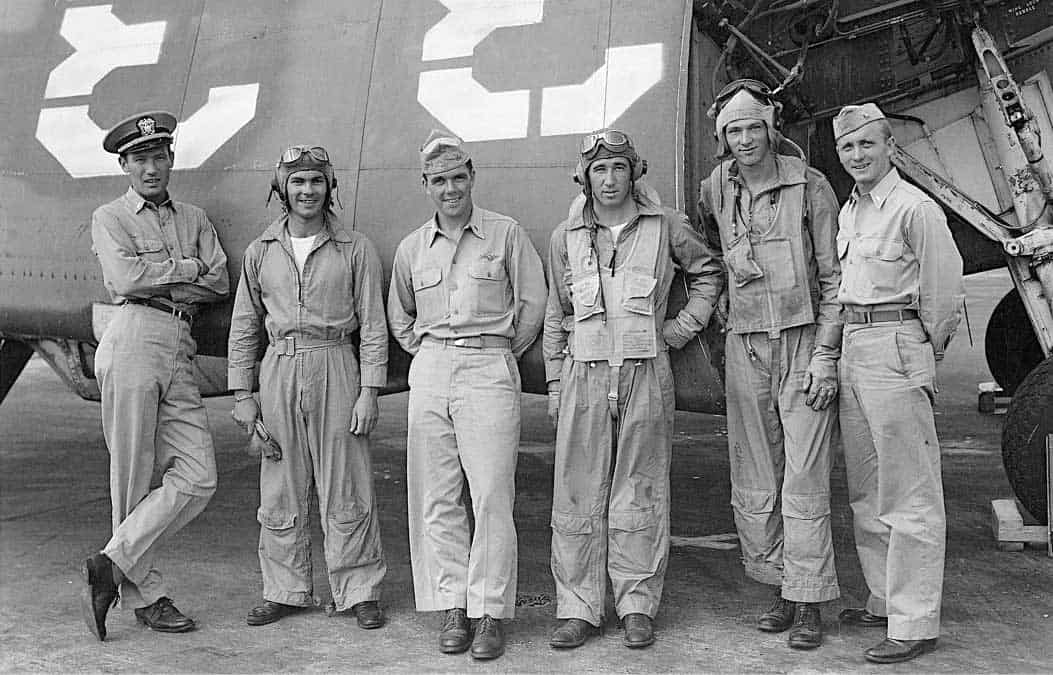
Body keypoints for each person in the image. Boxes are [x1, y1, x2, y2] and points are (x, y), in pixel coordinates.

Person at [543, 129, 722, 650]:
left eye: (619, 167)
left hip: (647, 371)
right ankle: (578, 606)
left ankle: (636, 603)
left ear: (634, 172)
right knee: (577, 490)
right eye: (599, 169)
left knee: (640, 489)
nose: (609, 179)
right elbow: (559, 311)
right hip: (585, 372)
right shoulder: (566, 237)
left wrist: (681, 329)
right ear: (585, 177)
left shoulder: (666, 227)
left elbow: (708, 272)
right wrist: (556, 381)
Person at [387, 130, 546, 660]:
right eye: (439, 180)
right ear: (425, 186)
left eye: (458, 177)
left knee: (492, 494)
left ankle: (489, 612)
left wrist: (493, 349)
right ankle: (452, 605)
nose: (450, 188)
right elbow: (401, 317)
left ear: (472, 177)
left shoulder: (505, 234)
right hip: (431, 367)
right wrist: (432, 353)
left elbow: (532, 305)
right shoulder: (413, 247)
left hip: (488, 367)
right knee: (436, 498)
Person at [696, 80, 843, 649]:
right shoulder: (717, 186)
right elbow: (710, 247)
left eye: (753, 127)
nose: (745, 139)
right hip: (747, 346)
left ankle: (809, 600)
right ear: (722, 139)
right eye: (733, 131)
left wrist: (827, 355)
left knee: (804, 476)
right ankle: (781, 586)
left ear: (771, 127)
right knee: (756, 475)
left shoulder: (810, 186)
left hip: (805, 343)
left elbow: (833, 278)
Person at [82, 110, 229, 640]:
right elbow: (125, 278)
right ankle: (146, 598)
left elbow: (219, 280)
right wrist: (183, 272)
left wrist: (161, 281)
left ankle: (111, 562)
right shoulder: (110, 217)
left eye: (159, 157)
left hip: (179, 341)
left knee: (198, 475)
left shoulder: (193, 217)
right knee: (131, 472)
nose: (151, 168)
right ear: (125, 165)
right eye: (140, 159)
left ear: (171, 159)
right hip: (131, 338)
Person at [228, 145, 388, 630]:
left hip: (335, 363)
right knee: (279, 483)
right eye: (297, 182)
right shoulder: (261, 251)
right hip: (279, 367)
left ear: (329, 187)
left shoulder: (354, 248)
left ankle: (359, 588)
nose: (307, 191)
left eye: (316, 181)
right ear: (282, 188)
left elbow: (374, 325)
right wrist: (243, 395)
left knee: (348, 483)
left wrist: (369, 390)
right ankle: (285, 589)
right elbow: (244, 326)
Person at [831, 103, 964, 664]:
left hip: (895, 343)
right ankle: (884, 600)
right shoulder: (851, 210)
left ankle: (915, 621)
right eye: (847, 148)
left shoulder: (915, 208)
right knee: (867, 486)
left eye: (867, 145)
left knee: (909, 490)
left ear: (890, 147)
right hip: (854, 345)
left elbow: (941, 290)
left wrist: (918, 353)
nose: (857, 156)